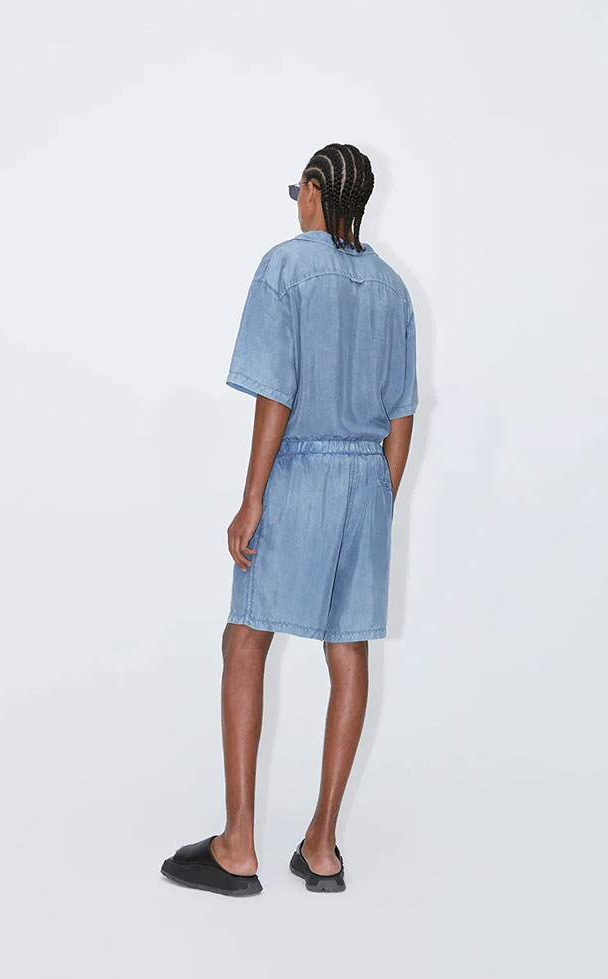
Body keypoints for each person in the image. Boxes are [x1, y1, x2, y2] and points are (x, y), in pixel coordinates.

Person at [161, 143, 419, 896]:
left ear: (312, 191)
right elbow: (402, 412)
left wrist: (253, 497)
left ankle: (238, 844)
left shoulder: (286, 267)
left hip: (301, 469)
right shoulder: (393, 288)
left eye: (297, 192)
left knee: (246, 637)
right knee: (349, 651)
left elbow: (275, 390)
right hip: (367, 478)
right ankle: (323, 847)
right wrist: (378, 500)